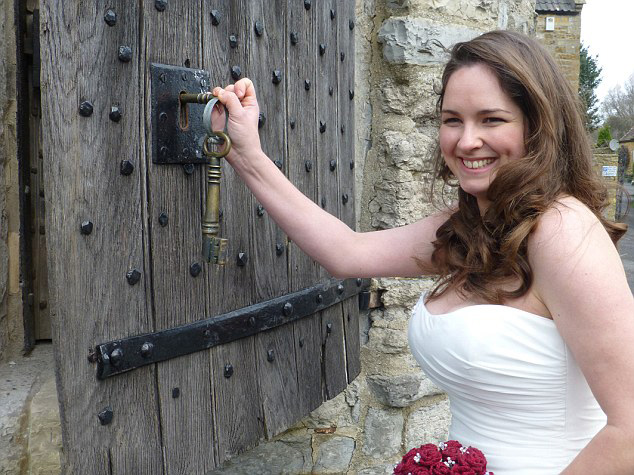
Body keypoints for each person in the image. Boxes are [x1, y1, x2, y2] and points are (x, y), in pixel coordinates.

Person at [210, 30, 634, 474]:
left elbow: (628, 430)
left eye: (491, 120)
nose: (466, 141)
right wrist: (246, 153)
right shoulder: (474, 227)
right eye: (453, 120)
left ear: (538, 125)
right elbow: (346, 252)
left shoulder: (562, 231)